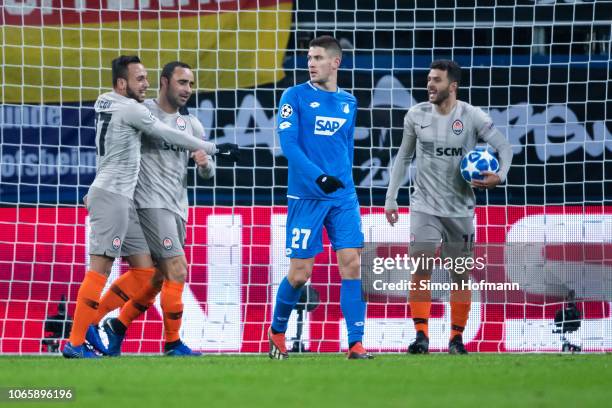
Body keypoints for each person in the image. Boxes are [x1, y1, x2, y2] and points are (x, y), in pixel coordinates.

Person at [62, 56, 238, 358]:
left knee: (152, 275)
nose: (188, 89)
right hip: (143, 204)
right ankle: (169, 343)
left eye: (192, 84)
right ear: (164, 82)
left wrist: (204, 161)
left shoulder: (190, 124)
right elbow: (146, 138)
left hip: (175, 206)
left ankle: (113, 327)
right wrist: (214, 147)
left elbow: (206, 173)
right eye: (182, 82)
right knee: (175, 269)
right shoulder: (141, 111)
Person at [384, 60, 512, 354]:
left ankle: (456, 338)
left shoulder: (473, 116)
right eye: (429, 79)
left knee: (459, 274)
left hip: (461, 209)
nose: (430, 84)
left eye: (437, 80)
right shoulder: (417, 115)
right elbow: (404, 158)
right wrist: (392, 197)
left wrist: (499, 176)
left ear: (452, 86)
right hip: (424, 207)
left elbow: (504, 149)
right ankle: (421, 336)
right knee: (421, 268)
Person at [268, 36, 372, 360]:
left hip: (342, 197)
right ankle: (276, 332)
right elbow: (289, 146)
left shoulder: (348, 102)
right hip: (307, 196)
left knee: (352, 264)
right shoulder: (294, 96)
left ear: (335, 62)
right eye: (309, 57)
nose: (310, 63)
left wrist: (342, 183)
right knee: (300, 273)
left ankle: (355, 343)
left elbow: (345, 148)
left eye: (317, 58)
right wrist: (319, 177)